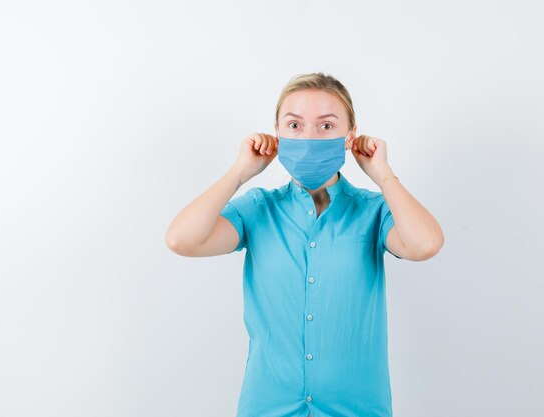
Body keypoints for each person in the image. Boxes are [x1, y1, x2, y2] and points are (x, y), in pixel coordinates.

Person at [165, 72, 444, 417]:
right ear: (277, 133)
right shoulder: (258, 208)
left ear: (349, 136)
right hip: (268, 408)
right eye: (294, 126)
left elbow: (426, 244)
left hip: (357, 409)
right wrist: (240, 171)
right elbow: (182, 239)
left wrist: (384, 175)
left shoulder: (374, 210)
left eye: (326, 126)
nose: (309, 137)